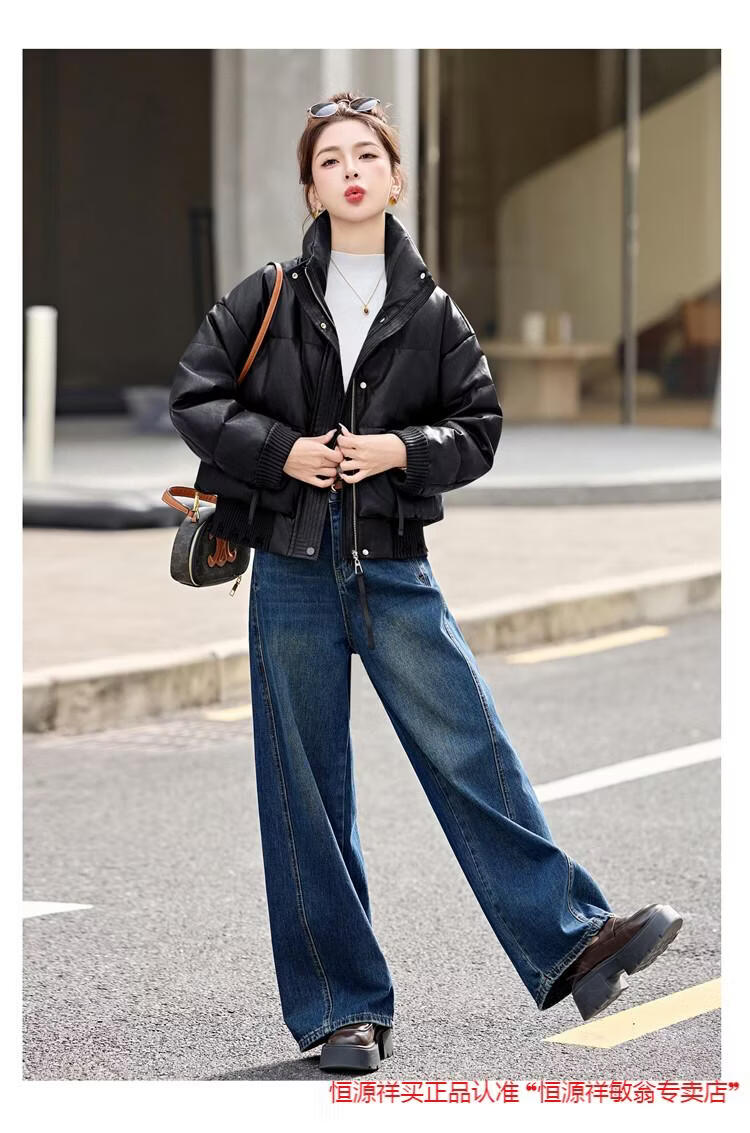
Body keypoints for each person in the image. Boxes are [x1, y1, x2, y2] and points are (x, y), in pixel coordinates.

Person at [169, 92, 683, 1074]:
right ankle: (341, 1010)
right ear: (312, 188)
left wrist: (400, 448)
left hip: (394, 563)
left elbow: (478, 429)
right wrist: (284, 451)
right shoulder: (268, 293)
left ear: (397, 177)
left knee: (471, 748)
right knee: (305, 788)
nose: (351, 171)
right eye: (331, 160)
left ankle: (576, 944)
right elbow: (195, 395)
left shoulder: (434, 310)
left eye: (367, 155)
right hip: (291, 565)